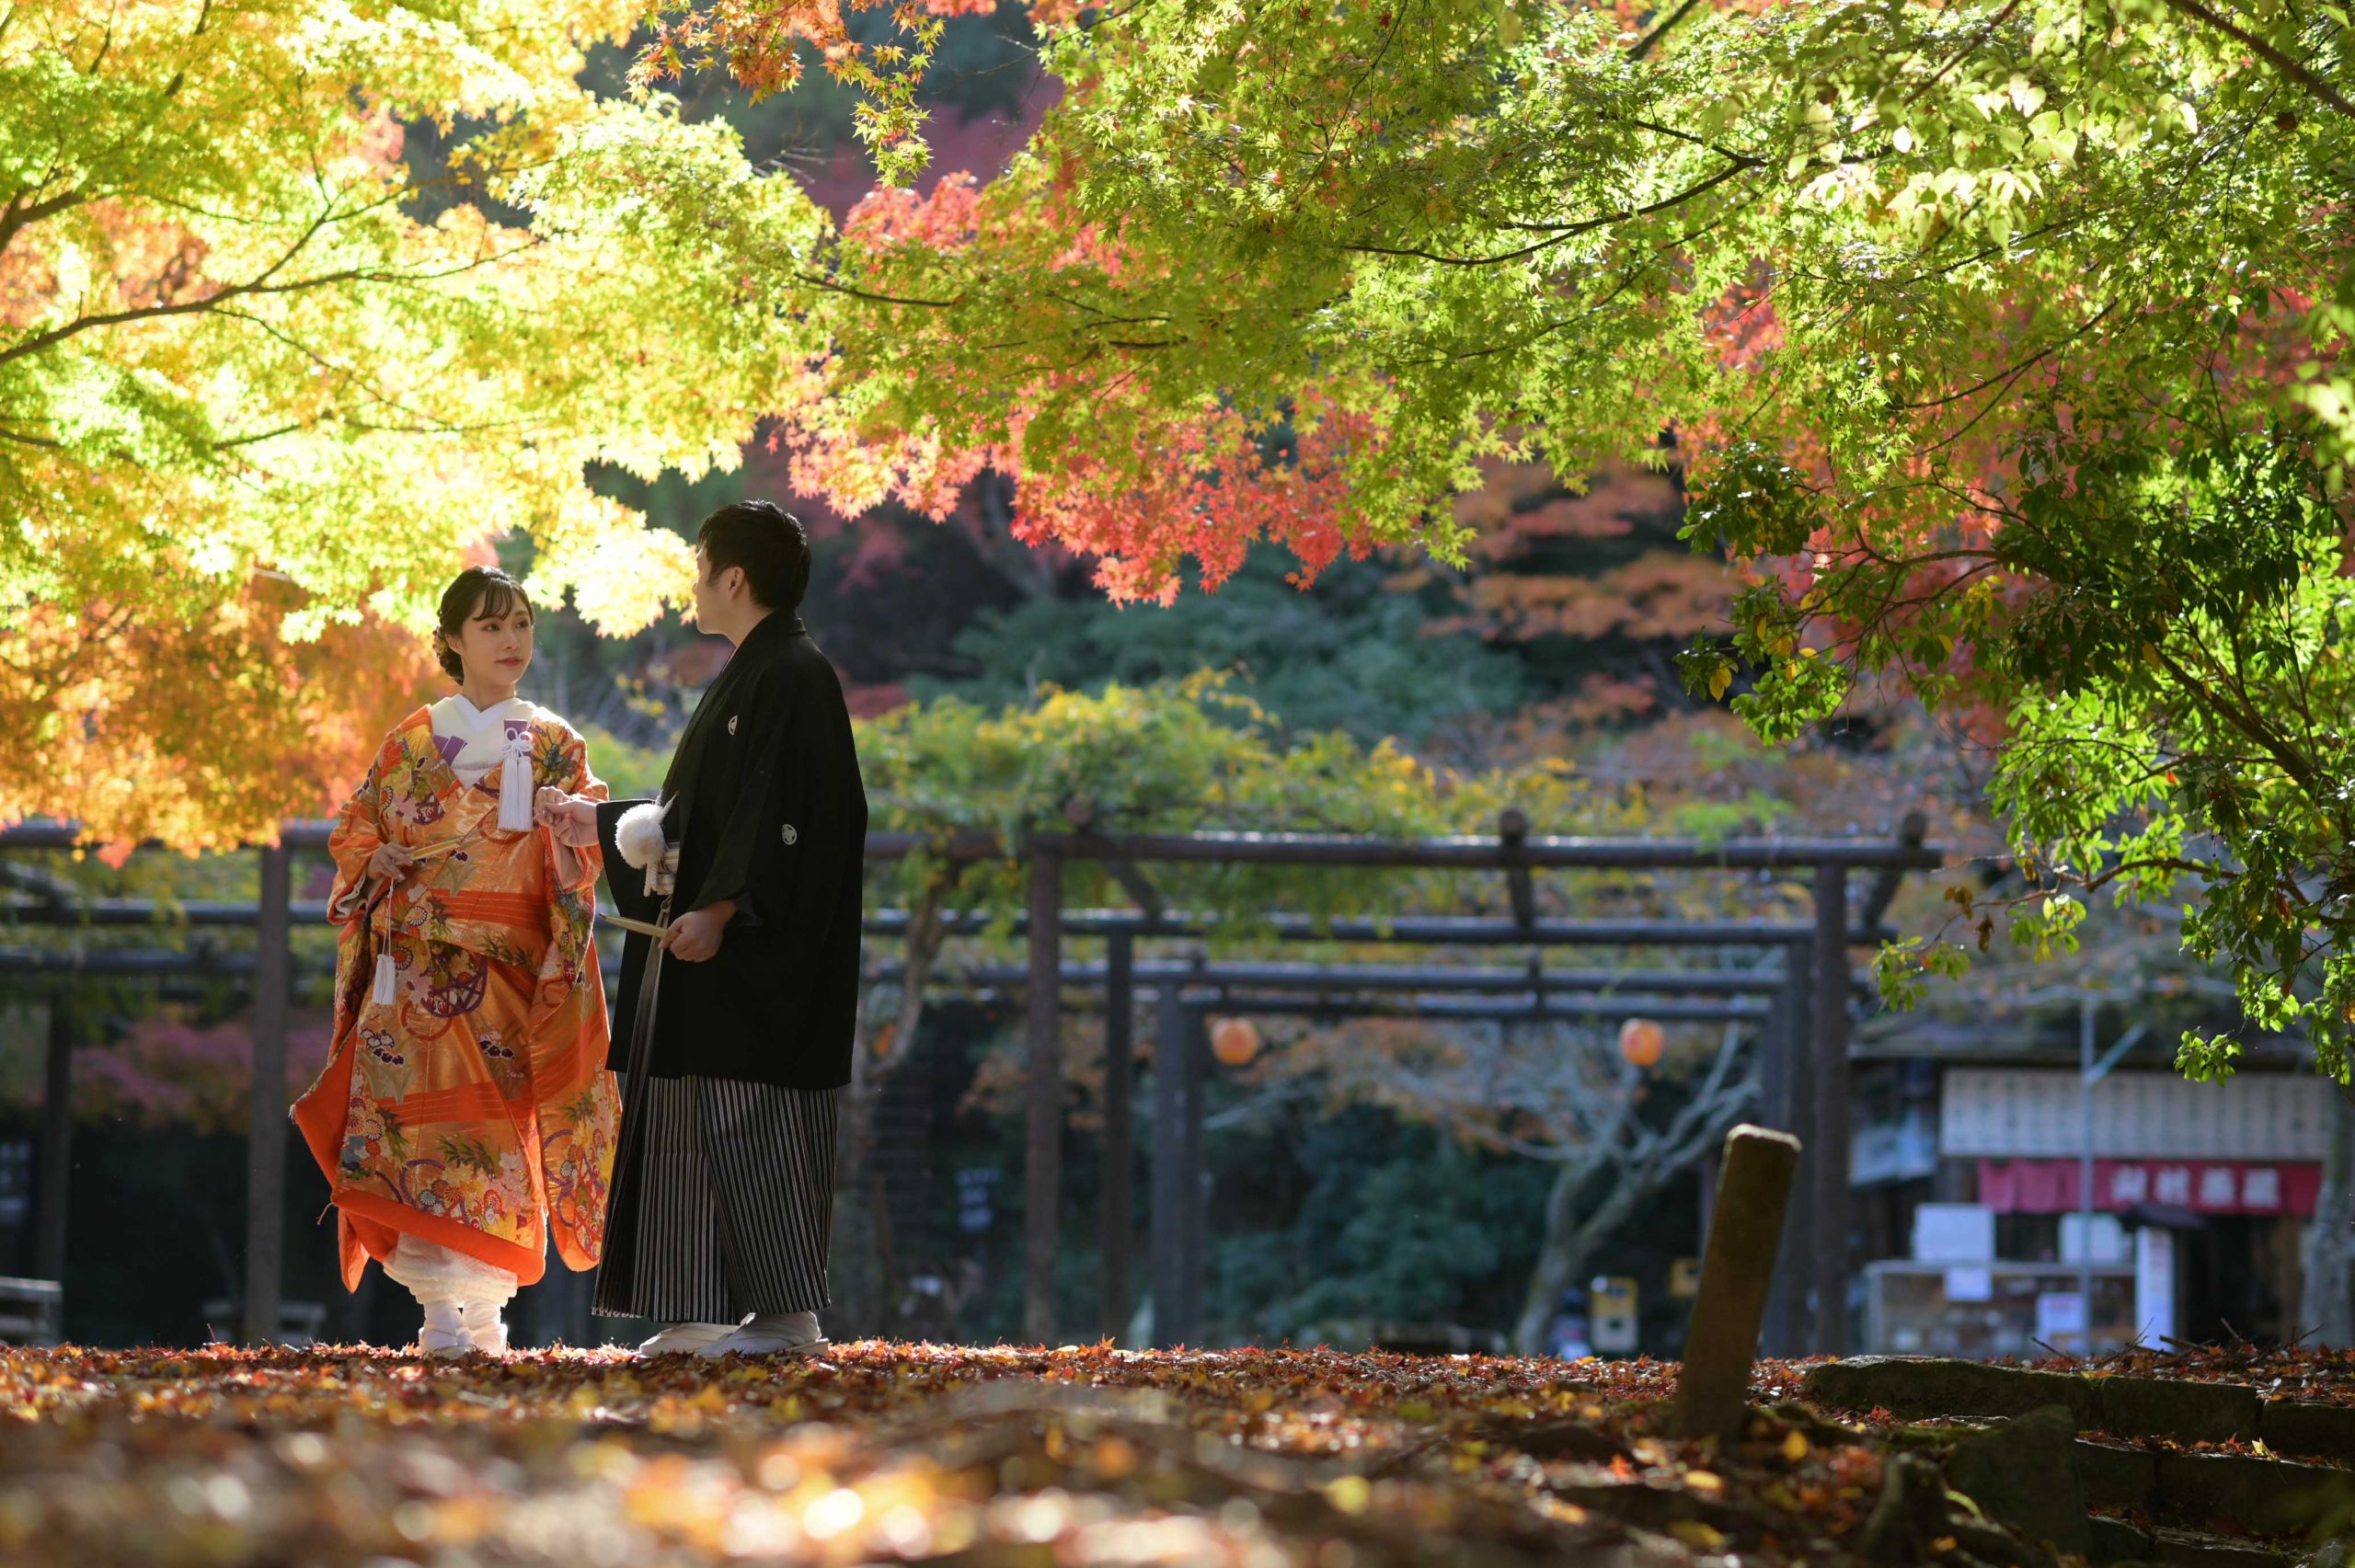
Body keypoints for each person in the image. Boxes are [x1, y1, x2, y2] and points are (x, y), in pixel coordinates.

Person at [541, 500, 867, 1358]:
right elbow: (700, 817)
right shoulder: (752, 672)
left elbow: (787, 817)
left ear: (734, 577)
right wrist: (600, 824)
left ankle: (787, 1315)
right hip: (708, 945)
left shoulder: (793, 673)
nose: (692, 583)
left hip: (756, 955)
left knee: (745, 1112)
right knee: (690, 1112)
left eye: (700, 566)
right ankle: (694, 1307)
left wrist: (724, 906)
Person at [292, 565, 619, 1356]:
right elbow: (356, 830)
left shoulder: (553, 744)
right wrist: (380, 863)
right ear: (452, 641)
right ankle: (442, 1314)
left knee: (496, 1144)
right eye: (491, 626)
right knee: (420, 1138)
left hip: (508, 980)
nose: (512, 641)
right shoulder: (410, 740)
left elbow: (586, 853)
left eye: (522, 624)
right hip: (412, 979)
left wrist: (568, 824)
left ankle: (481, 1314)